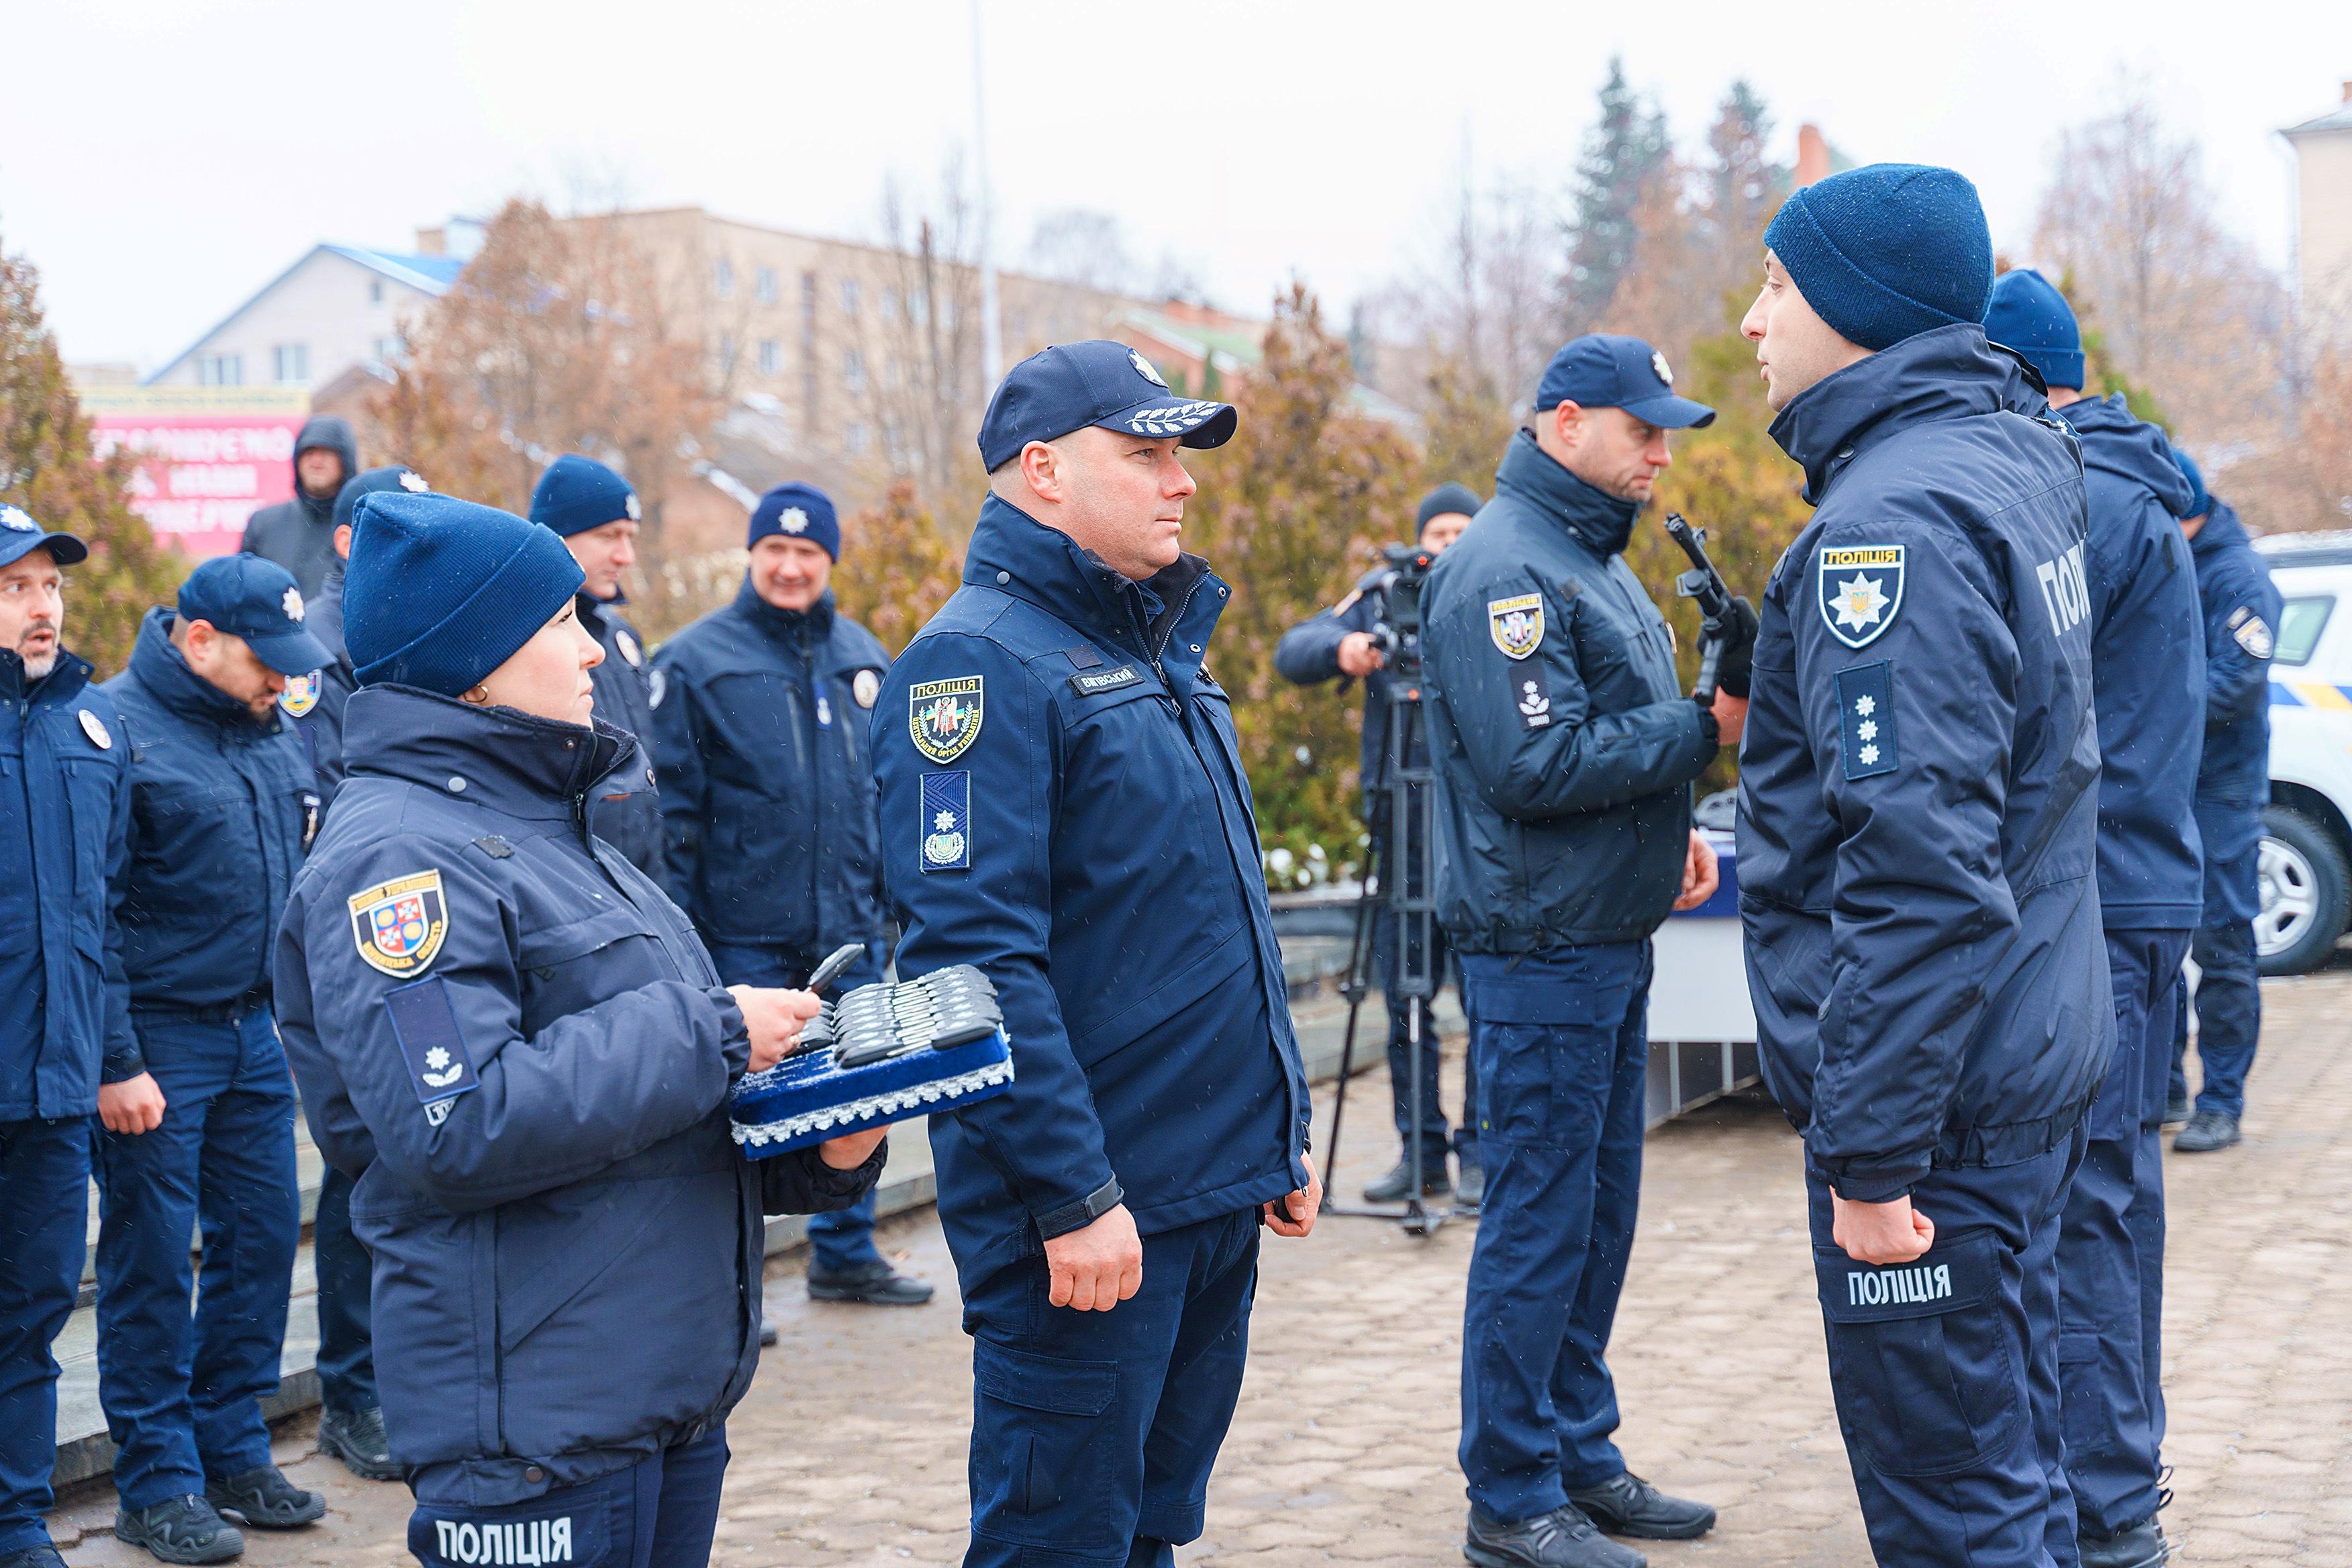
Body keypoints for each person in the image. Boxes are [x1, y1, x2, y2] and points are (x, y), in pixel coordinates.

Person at [273, 487, 887, 1568]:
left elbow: (646, 1121)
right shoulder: (398, 859)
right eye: (559, 624)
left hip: (654, 1395)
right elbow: (455, 1122)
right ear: (473, 661)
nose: (594, 650)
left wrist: (827, 1143)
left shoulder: (550, 829)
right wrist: (714, 1033)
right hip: (537, 1429)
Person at [872, 340, 1320, 1568]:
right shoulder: (976, 666)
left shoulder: (1156, 653)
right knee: (1058, 1543)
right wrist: (1072, 1198)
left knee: (1144, 1535)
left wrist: (1268, 1135)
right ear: (1042, 472)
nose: (1178, 481)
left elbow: (1207, 913)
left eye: (1180, 454)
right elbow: (973, 965)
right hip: (1091, 1220)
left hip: (1201, 1188)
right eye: (1144, 453)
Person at [1735, 165, 2110, 1568]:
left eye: (1779, 282)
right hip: (2013, 1052)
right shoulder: (2008, 456)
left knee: (1963, 1506)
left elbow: (1921, 874)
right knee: (2013, 1463)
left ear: (1859, 309)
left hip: (1941, 1104)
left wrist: (1874, 1154)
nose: (1755, 317)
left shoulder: (1890, 526)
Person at [1420, 335, 1736, 1568]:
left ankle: (1574, 1452)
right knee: (1539, 1223)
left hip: (1601, 930)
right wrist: (1698, 733)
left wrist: (1673, 838)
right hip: (1537, 944)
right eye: (1639, 428)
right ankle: (1508, 1493)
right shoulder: (1506, 567)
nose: (1659, 452)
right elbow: (1530, 766)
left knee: (1597, 1217)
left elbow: (1605, 748)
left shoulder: (1586, 558)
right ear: (1562, 425)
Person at [1986, 268, 2204, 1568]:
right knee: (2121, 1189)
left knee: (2087, 1200)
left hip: (2100, 900)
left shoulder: (2081, 502)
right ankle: (2116, 1470)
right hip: (2145, 886)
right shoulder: (2138, 491)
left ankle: (2106, 1496)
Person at [96, 556, 334, 1563]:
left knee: (264, 1239)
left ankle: (231, 1444)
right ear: (198, 642)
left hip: (254, 1032)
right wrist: (116, 1058)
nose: (282, 682)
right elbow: (89, 911)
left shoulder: (267, 731)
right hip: (158, 1038)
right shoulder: (115, 736)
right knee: (153, 1259)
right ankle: (155, 1480)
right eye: (262, 662)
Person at [650, 481, 926, 1308]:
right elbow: (673, 816)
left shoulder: (864, 658)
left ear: (829, 560)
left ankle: (844, 1253)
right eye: (776, 549)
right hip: (743, 937)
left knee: (860, 1094)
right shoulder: (696, 662)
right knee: (732, 1111)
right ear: (753, 554)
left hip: (847, 930)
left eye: (808, 552)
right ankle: (724, 1281)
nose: (791, 566)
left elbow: (891, 794)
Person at [1275, 483, 1481, 1207]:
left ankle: (1480, 1155)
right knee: (1403, 998)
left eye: (1464, 530)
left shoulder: (1496, 584)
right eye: (1440, 532)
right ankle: (1418, 1152)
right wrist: (1349, 648)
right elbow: (1294, 651)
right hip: (1400, 829)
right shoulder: (1385, 591)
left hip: (1473, 829)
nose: (1449, 544)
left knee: (1480, 997)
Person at [0, 505, 136, 1568]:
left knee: (35, 1312)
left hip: (50, 1092)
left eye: (49, 587)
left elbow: (107, 915)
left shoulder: (93, 733)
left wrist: (108, 1061)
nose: (42, 607)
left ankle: (16, 1518)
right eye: (15, 589)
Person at [277, 464, 418, 1485]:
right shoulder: (318, 652)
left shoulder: (416, 637)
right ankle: (351, 1392)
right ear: (346, 543)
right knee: (359, 1165)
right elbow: (318, 800)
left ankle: (402, 1381)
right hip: (347, 929)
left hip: (423, 920)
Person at [2167, 451, 2280, 1156]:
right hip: (2173, 783)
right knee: (2162, 943)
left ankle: (2223, 1101)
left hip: (2224, 790)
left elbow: (2233, 682)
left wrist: (2150, 706)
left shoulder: (2237, 574)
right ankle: (2166, 1087)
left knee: (2223, 944)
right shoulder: (2177, 559)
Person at [530, 455, 662, 876]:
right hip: (572, 879)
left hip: (638, 877)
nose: (626, 556)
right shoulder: (525, 640)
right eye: (610, 536)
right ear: (559, 537)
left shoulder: (621, 638)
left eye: (631, 537)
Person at [239, 415, 357, 600]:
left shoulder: (359, 526)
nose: (316, 461)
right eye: (309, 453)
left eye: (326, 453)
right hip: (274, 629)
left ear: (345, 460)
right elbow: (241, 592)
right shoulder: (264, 524)